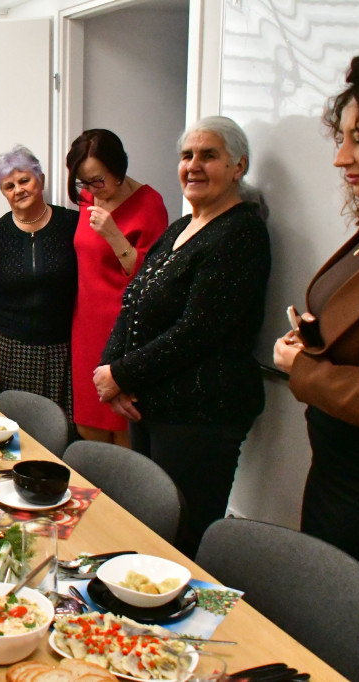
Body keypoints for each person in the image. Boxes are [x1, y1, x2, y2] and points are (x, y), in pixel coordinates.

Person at [96, 116, 270, 556]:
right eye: (187, 155)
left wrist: (120, 373)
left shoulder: (241, 233)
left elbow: (197, 331)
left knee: (180, 541)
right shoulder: (182, 226)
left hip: (199, 415)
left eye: (208, 155)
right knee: (147, 532)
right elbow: (132, 299)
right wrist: (113, 373)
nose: (193, 165)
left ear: (238, 166)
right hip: (149, 403)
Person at [273, 49, 359, 597]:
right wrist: (315, 340)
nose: (341, 157)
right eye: (342, 137)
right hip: (334, 477)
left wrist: (305, 369)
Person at [66, 130, 167, 447]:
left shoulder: (150, 204)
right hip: (86, 330)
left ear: (119, 167)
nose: (94, 190)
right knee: (89, 432)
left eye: (99, 180)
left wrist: (114, 236)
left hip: (127, 333)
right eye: (84, 182)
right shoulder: (87, 198)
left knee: (126, 436)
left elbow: (156, 282)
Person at [0, 144, 78, 419]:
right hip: (11, 349)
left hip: (62, 349)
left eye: (24, 180)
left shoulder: (72, 224)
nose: (18, 190)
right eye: (9, 186)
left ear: (40, 179)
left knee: (59, 428)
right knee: (15, 430)